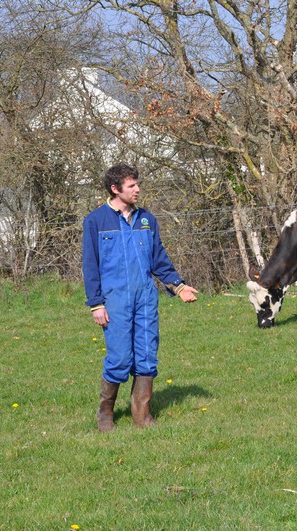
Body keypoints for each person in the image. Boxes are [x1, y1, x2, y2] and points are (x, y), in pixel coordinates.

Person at [82, 164, 198, 431]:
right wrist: (96, 303)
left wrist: (178, 287)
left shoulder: (147, 219)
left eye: (137, 184)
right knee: (120, 358)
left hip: (146, 298)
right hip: (115, 300)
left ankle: (141, 415)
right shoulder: (96, 221)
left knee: (146, 355)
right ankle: (105, 413)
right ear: (115, 189)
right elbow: (91, 265)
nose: (138, 189)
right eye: (132, 185)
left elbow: (159, 260)